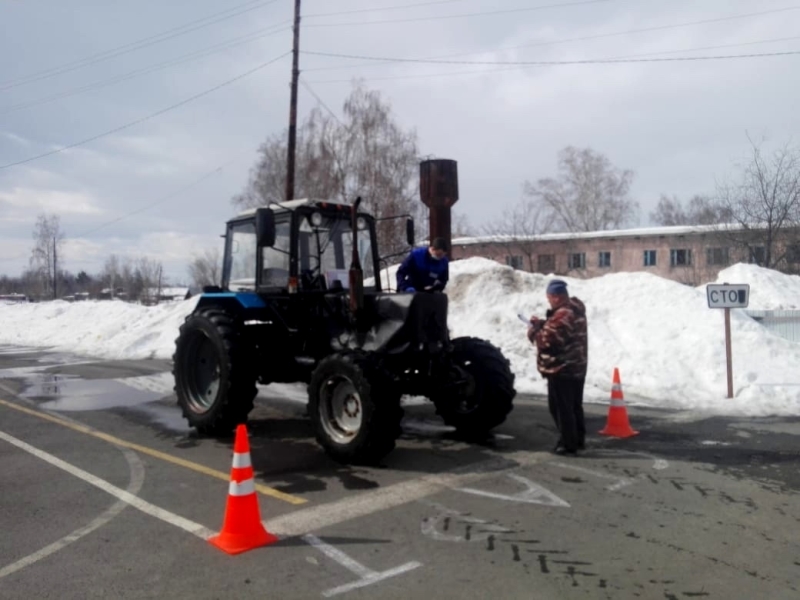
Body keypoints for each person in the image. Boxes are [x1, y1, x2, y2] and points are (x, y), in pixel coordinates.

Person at [526, 278, 588, 456]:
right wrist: (543, 324)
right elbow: (558, 332)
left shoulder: (564, 315)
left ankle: (568, 443)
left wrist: (533, 330)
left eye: (549, 297)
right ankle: (577, 439)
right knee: (574, 406)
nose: (548, 301)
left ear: (556, 297)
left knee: (561, 408)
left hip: (562, 368)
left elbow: (547, 341)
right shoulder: (574, 310)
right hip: (576, 366)